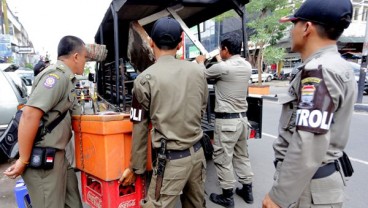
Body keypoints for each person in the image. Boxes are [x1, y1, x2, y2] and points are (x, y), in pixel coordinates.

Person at [262, 0, 356, 207]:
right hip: (312, 184)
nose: (290, 31)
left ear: (306, 28)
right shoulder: (339, 65)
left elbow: (308, 142)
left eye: (293, 24)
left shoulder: (320, 70)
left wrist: (279, 196)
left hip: (306, 189)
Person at [119, 17, 208, 208]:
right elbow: (202, 108)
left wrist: (136, 168)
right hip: (198, 154)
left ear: (151, 42)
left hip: (171, 162)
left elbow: (140, 128)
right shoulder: (198, 72)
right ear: (181, 41)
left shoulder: (144, 80)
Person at [4, 35, 88, 208]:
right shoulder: (56, 78)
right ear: (76, 57)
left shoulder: (68, 79)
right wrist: (24, 160)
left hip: (59, 158)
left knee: (73, 204)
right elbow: (29, 115)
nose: (85, 62)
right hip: (43, 161)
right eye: (85, 57)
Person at [196, 32, 254, 207]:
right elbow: (227, 68)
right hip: (243, 120)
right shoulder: (246, 65)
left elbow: (202, 75)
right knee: (242, 155)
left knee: (222, 158)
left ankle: (227, 196)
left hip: (227, 122)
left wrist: (200, 61)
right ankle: (247, 190)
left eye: (221, 49)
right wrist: (220, 60)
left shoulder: (223, 68)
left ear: (226, 49)